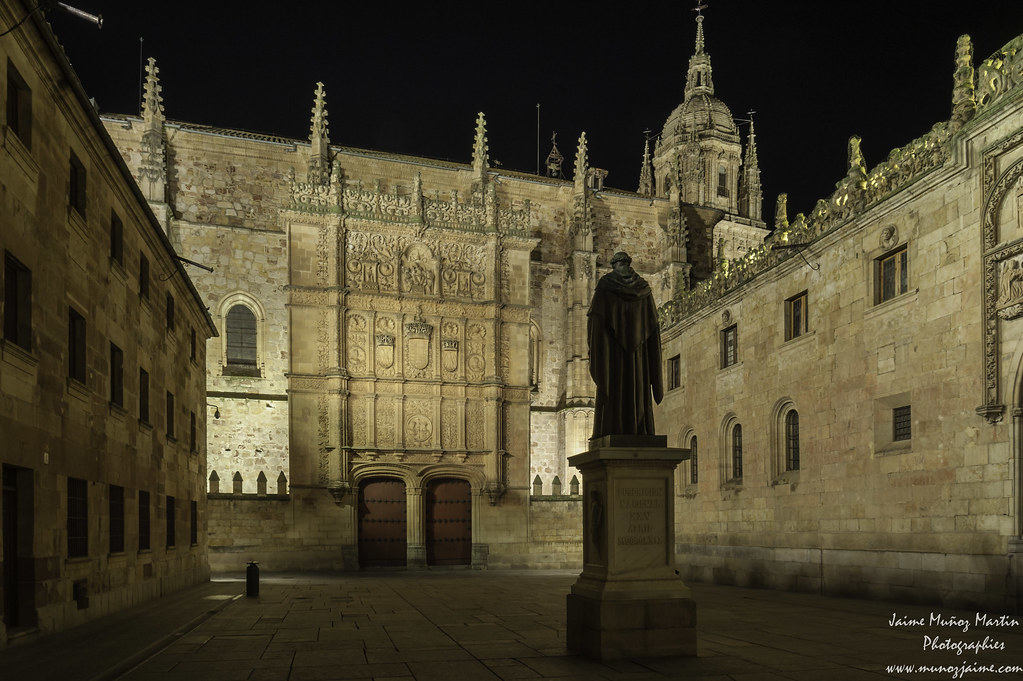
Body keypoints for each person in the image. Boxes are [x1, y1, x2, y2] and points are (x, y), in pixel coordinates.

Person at [587, 251, 664, 439]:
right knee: (637, 390)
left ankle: (612, 428)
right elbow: (653, 327)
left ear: (614, 265)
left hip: (612, 355)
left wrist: (596, 347)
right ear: (628, 265)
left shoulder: (605, 286)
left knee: (613, 391)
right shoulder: (644, 289)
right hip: (640, 357)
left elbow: (595, 323)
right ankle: (639, 429)